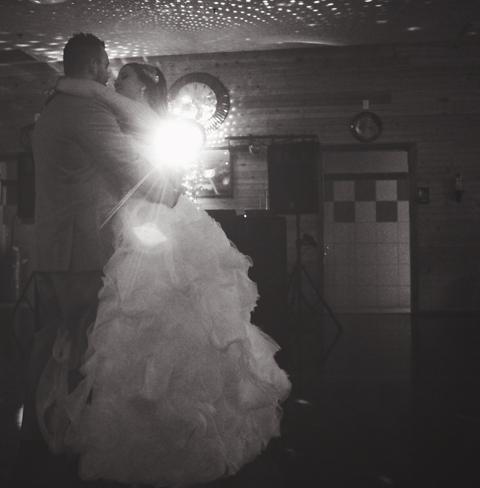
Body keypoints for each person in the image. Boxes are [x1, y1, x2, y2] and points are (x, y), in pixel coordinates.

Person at [40, 63, 292, 486]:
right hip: (137, 218)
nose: (116, 81)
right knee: (140, 315)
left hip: (156, 217)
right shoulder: (123, 118)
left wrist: (66, 83)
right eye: (116, 76)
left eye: (125, 76)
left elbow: (100, 96)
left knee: (165, 305)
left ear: (145, 86)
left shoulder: (138, 114)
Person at [16, 35, 179, 479]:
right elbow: (127, 165)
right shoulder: (84, 110)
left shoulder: (52, 109)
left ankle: (35, 430)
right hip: (80, 247)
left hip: (54, 244)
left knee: (53, 336)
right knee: (83, 341)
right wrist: (173, 193)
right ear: (92, 64)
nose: (108, 74)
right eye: (106, 65)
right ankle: (72, 436)